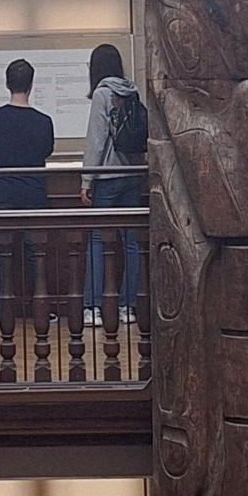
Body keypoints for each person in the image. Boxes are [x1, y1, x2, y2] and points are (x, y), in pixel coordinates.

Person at [0, 58, 56, 323]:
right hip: (35, 192)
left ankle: (0, 308)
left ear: (6, 83)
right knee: (37, 253)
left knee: (2, 253)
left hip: (3, 192)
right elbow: (46, 151)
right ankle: (41, 305)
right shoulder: (43, 121)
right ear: (32, 85)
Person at [78, 43, 145, 329]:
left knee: (97, 240)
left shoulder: (103, 94)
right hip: (133, 174)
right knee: (131, 242)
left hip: (106, 176)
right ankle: (128, 306)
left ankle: (93, 306)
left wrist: (86, 180)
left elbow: (96, 139)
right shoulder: (131, 92)